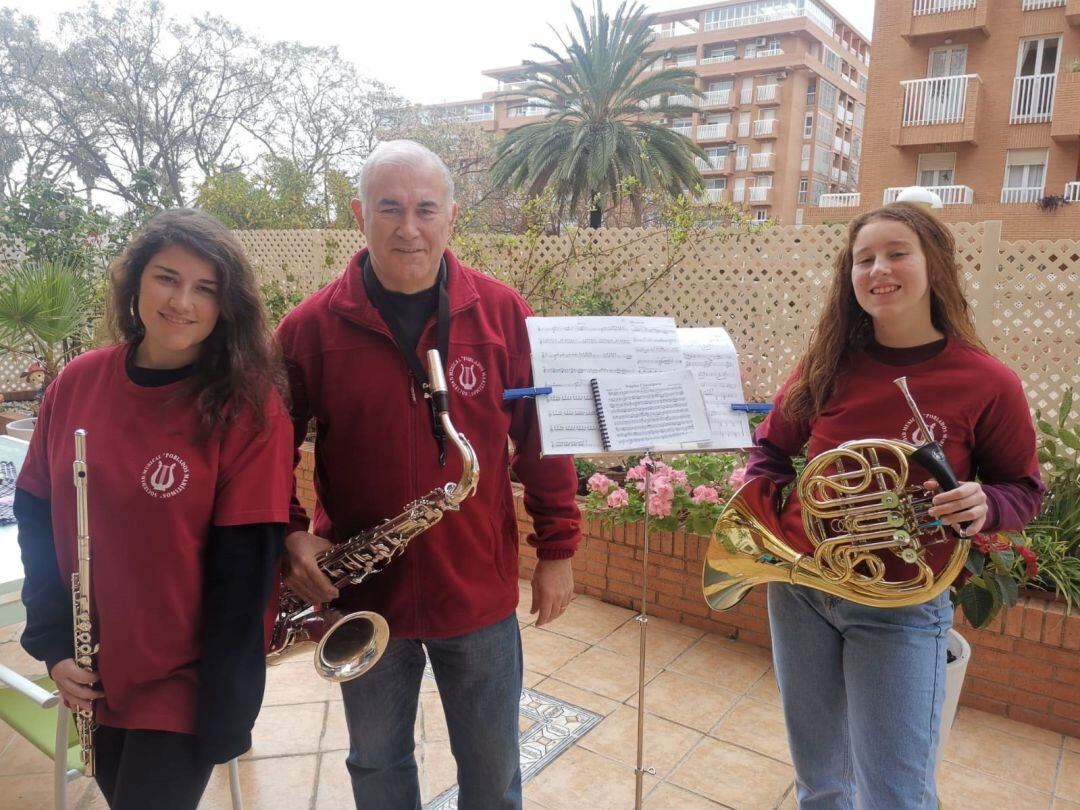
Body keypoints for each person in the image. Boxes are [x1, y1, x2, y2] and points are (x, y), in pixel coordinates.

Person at [276, 140, 581, 809]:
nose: (407, 227)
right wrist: (291, 537)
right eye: (389, 207)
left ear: (452, 217)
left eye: (424, 209)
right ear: (360, 214)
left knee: (493, 769)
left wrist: (558, 551)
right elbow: (264, 453)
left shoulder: (504, 315)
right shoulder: (307, 328)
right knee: (377, 766)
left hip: (476, 590)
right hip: (364, 595)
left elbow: (544, 441)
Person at [745, 203, 1044, 809]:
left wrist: (985, 502)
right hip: (803, 590)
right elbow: (770, 455)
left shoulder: (987, 381)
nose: (879, 269)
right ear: (849, 276)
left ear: (934, 264)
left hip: (901, 602)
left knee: (896, 794)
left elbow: (1024, 488)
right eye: (864, 259)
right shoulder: (827, 365)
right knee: (821, 783)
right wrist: (772, 533)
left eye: (896, 253)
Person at [16, 209, 295, 810]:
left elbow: (245, 571)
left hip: (183, 684)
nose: (182, 302)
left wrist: (226, 700)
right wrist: (54, 643)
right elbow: (36, 514)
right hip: (94, 668)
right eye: (167, 278)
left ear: (227, 306)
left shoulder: (248, 410)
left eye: (206, 289)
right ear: (136, 281)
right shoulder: (77, 382)